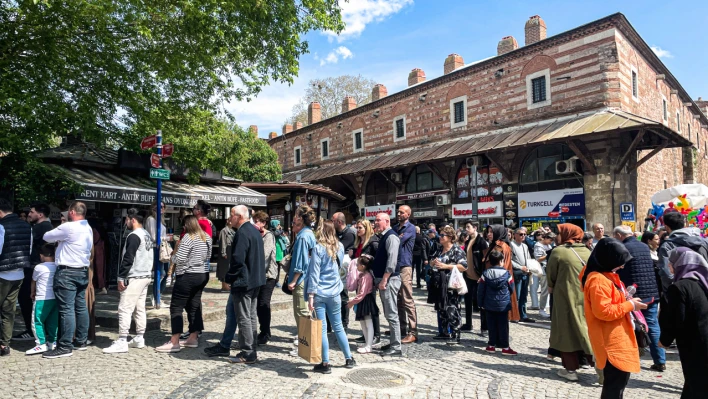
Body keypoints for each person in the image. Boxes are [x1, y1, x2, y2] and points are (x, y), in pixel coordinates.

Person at [581, 238, 645, 397]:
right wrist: (630, 306)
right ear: (607, 260)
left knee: (617, 386)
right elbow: (604, 311)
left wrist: (627, 300)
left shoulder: (605, 275)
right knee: (614, 388)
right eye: (619, 262)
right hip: (610, 340)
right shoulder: (598, 280)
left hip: (616, 336)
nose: (622, 266)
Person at [41, 201, 93, 359]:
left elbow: (46, 236)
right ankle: (81, 340)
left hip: (67, 272)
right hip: (82, 271)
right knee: (80, 306)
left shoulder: (68, 227)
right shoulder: (87, 227)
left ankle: (64, 346)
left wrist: (61, 226)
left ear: (71, 212)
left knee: (66, 309)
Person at [306, 219, 357, 373]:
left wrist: (310, 296)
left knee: (322, 329)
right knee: (338, 326)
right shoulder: (340, 246)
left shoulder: (318, 249)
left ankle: (325, 362)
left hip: (320, 292)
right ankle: (348, 358)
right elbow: (339, 266)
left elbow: (314, 274)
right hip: (335, 291)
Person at [156, 215, 211, 353]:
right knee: (194, 305)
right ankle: (193, 337)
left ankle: (174, 341)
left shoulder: (188, 237)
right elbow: (208, 256)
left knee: (176, 307)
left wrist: (171, 257)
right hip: (202, 274)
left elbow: (179, 259)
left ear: (186, 225)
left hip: (187, 275)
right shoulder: (206, 237)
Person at [612, 225, 664, 371]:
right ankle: (660, 360)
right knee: (652, 325)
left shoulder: (622, 248)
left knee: (631, 325)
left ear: (619, 235)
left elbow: (620, 271)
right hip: (651, 292)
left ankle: (632, 357)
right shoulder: (644, 246)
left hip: (633, 294)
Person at [546, 223, 593, 381]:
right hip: (586, 297)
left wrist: (551, 286)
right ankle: (598, 364)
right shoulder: (587, 251)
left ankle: (571, 369)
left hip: (565, 297)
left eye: (558, 233)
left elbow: (551, 275)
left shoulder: (558, 252)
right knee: (585, 329)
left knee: (566, 331)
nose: (556, 237)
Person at [659, 247, 708, 398]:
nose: (669, 266)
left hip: (694, 343)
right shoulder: (702, 283)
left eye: (671, 262)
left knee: (697, 384)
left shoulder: (679, 287)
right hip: (703, 339)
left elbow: (676, 318)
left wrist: (664, 340)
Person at [103, 209, 153, 354]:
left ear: (133, 220)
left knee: (125, 308)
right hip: (145, 275)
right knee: (139, 307)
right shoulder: (146, 234)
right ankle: (139, 337)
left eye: (127, 220)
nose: (125, 222)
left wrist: (121, 277)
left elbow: (128, 258)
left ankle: (122, 340)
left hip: (135, 276)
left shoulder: (134, 236)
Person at [222, 205, 265, 364]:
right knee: (251, 315)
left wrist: (228, 278)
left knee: (244, 317)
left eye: (232, 215)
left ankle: (248, 352)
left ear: (239, 216)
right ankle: (251, 347)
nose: (229, 218)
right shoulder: (254, 230)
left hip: (244, 281)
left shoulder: (243, 232)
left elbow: (238, 260)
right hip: (255, 280)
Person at [14, 203, 53, 342]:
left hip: (34, 268)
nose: (29, 214)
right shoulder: (47, 228)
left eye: (31, 212)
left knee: (27, 298)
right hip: (41, 267)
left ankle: (32, 330)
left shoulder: (39, 228)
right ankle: (41, 329)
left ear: (40, 214)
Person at [0, 198, 32, 357]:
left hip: (2, 273)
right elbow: (30, 249)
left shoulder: (1, 227)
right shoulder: (28, 227)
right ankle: (4, 345)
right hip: (19, 273)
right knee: (9, 310)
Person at [286, 205, 317, 356]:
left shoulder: (304, 236)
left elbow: (301, 261)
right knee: (303, 312)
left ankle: (305, 343)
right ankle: (304, 341)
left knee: (302, 312)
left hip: (301, 280)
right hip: (306, 278)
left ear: (300, 218)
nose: (294, 219)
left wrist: (294, 280)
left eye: (296, 216)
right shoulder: (308, 233)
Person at [428, 226, 467, 342]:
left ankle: (455, 333)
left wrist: (447, 266)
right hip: (439, 283)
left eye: (442, 235)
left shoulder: (456, 250)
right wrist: (432, 263)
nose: (440, 237)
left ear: (450, 237)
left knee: (452, 308)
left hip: (451, 284)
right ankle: (444, 332)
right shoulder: (439, 249)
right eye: (440, 235)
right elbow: (432, 262)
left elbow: (464, 266)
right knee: (441, 308)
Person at [372, 212, 402, 356]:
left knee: (391, 314)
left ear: (387, 221)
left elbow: (392, 262)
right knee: (388, 313)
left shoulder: (391, 236)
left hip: (389, 280)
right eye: (375, 220)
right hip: (385, 280)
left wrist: (384, 279)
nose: (376, 222)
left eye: (378, 220)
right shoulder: (385, 236)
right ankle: (393, 342)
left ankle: (396, 347)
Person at [657, 210, 706, 298]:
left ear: (667, 227)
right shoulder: (702, 241)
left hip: (679, 292)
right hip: (703, 288)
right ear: (684, 224)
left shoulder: (667, 245)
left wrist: (669, 295)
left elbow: (666, 273)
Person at [477, 249, 517, 355]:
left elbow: (481, 290)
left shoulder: (485, 274)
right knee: (503, 325)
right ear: (501, 261)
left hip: (489, 304)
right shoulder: (507, 274)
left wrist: (480, 303)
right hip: (503, 305)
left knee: (491, 325)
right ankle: (505, 347)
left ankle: (491, 345)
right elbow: (512, 288)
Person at [351, 218, 381, 345]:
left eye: (360, 228)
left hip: (369, 278)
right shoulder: (358, 242)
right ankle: (366, 334)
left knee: (371, 307)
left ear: (366, 228)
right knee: (362, 307)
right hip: (359, 277)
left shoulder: (373, 242)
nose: (357, 230)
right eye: (357, 227)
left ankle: (376, 335)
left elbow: (377, 260)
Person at [25, 244, 58, 355]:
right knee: (53, 321)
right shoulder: (57, 266)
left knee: (37, 321)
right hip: (55, 298)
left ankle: (41, 343)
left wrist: (32, 292)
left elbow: (34, 281)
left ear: (41, 255)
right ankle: (52, 342)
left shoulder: (39, 267)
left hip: (42, 298)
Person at [482, 225, 520, 322]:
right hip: (497, 281)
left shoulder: (500, 246)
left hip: (497, 282)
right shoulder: (496, 244)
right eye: (488, 232)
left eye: (491, 232)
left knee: (499, 318)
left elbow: (500, 266)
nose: (489, 234)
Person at [252, 211, 278, 346]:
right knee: (257, 305)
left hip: (268, 275)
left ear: (264, 223)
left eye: (258, 221)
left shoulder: (268, 236)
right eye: (254, 220)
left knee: (263, 303)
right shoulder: (256, 234)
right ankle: (262, 331)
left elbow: (264, 255)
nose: (256, 223)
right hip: (258, 274)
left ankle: (265, 333)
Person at [393, 205, 417, 343]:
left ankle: (413, 331)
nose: (399, 213)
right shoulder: (396, 228)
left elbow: (397, 241)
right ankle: (401, 328)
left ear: (408, 214)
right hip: (396, 265)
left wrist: (397, 237)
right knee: (398, 299)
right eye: (398, 211)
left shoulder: (410, 228)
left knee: (407, 299)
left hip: (405, 266)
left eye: (402, 212)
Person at [347, 255, 378, 354]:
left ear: (363, 266)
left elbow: (362, 293)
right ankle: (366, 343)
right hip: (362, 300)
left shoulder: (366, 276)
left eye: (358, 265)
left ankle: (369, 345)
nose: (356, 266)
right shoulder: (362, 275)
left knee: (368, 323)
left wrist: (352, 302)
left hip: (366, 300)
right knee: (363, 323)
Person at [462, 220, 488, 332]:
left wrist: (483, 275)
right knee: (467, 301)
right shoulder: (468, 241)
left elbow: (485, 259)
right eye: (466, 227)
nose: (466, 229)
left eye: (468, 227)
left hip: (479, 277)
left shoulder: (481, 241)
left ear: (475, 228)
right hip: (468, 276)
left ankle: (484, 328)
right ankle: (468, 324)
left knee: (481, 303)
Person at [332, 212, 355, 332]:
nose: (332, 223)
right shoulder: (336, 232)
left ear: (339, 222)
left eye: (333, 221)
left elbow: (338, 248)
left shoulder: (349, 233)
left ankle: (344, 324)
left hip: (344, 269)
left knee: (343, 296)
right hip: (336, 268)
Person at [146, 202, 169, 301]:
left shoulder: (161, 220)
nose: (162, 208)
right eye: (159, 206)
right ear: (154, 207)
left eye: (163, 207)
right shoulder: (151, 219)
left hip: (163, 248)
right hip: (156, 248)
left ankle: (157, 294)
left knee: (168, 272)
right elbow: (153, 237)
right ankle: (156, 297)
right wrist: (167, 237)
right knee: (159, 273)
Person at [510, 227, 535, 323]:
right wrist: (520, 267)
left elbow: (528, 258)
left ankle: (523, 314)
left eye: (525, 234)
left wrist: (530, 267)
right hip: (517, 273)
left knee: (524, 295)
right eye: (521, 234)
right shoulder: (511, 245)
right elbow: (509, 260)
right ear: (515, 235)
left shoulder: (524, 246)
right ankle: (515, 315)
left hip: (526, 273)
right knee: (517, 295)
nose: (523, 236)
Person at [216, 219, 236, 291]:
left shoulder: (232, 230)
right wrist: (223, 252)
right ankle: (224, 285)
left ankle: (227, 284)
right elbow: (223, 242)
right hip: (226, 250)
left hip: (231, 250)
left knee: (229, 268)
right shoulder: (224, 230)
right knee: (224, 269)